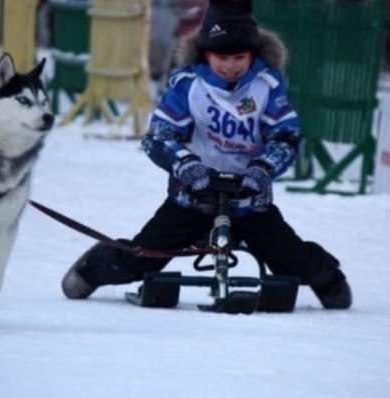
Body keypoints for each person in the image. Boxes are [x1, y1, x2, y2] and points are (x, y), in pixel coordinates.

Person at [61, 0, 352, 310]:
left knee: (292, 259)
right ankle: (92, 269)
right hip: (193, 197)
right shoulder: (189, 86)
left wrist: (263, 168)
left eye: (239, 58)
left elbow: (285, 136)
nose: (230, 66)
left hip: (248, 200)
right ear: (206, 54)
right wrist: (185, 165)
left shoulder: (266, 85)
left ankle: (329, 280)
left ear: (252, 54)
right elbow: (159, 136)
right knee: (142, 258)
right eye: (221, 58)